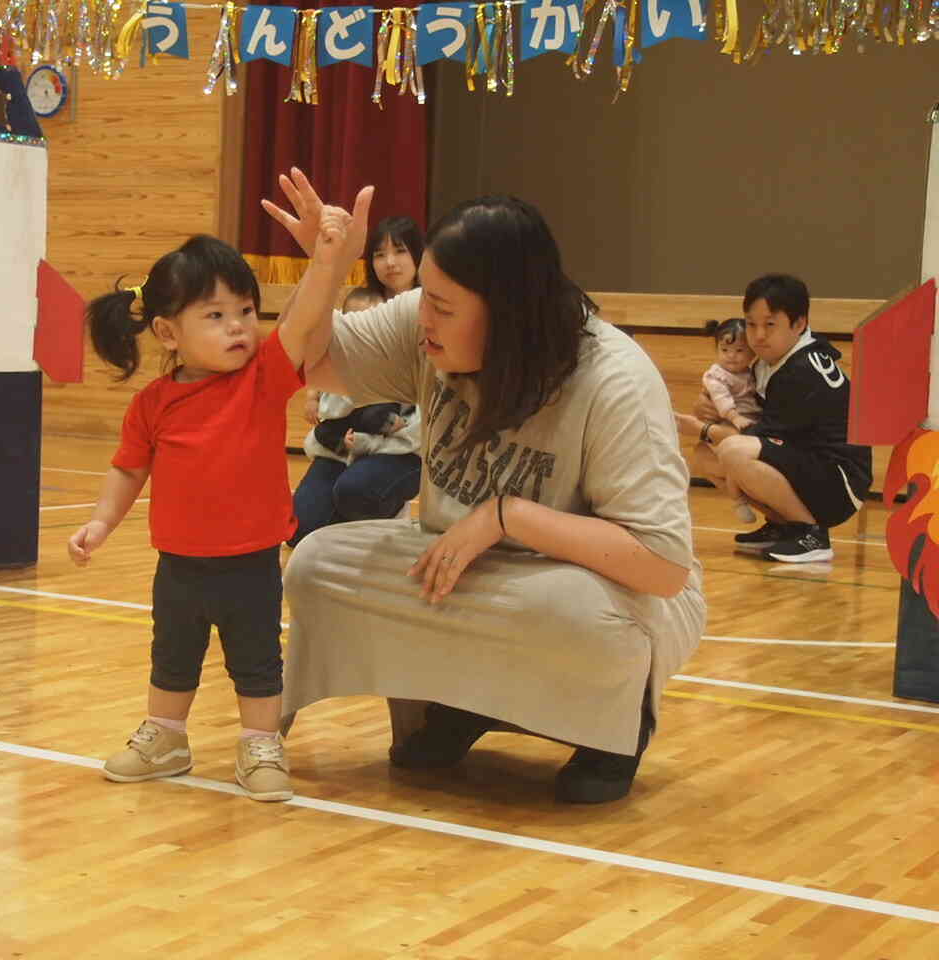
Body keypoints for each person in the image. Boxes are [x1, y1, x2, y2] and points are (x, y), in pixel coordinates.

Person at [261, 170, 705, 804]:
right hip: (464, 571)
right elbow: (299, 362)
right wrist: (327, 268)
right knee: (317, 564)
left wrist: (506, 516)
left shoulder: (616, 380)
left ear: (511, 312)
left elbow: (664, 567)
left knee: (572, 614)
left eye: (444, 307)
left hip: (586, 587)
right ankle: (459, 704)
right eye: (427, 300)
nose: (425, 321)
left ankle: (613, 731)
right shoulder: (425, 319)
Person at [67, 192, 371, 802]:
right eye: (215, 315)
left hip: (250, 561)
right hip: (177, 562)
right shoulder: (152, 404)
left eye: (246, 310)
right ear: (166, 332)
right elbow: (129, 471)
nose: (238, 326)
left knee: (257, 658)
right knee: (172, 652)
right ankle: (166, 735)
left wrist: (326, 261)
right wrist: (101, 522)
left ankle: (260, 744)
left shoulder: (264, 376)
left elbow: (306, 317)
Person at [675, 275, 872, 564]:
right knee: (705, 456)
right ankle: (784, 526)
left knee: (733, 451)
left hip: (839, 483)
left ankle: (811, 534)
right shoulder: (775, 360)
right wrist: (709, 407)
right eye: (751, 324)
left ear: (799, 323)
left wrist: (702, 427)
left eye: (770, 324)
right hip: (810, 464)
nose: (758, 335)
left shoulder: (801, 369)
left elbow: (754, 438)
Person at [290, 284, 423, 546]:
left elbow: (394, 422)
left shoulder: (404, 345)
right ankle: (338, 512)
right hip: (341, 448)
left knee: (356, 492)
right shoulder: (345, 356)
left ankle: (384, 510)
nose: (390, 262)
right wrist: (313, 395)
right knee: (299, 529)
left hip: (393, 451)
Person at [697, 318, 762, 523]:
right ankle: (738, 501)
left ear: (752, 351)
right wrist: (735, 417)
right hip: (729, 422)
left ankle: (742, 497)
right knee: (730, 462)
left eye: (739, 350)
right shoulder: (716, 375)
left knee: (736, 466)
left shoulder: (752, 372)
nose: (731, 356)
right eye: (725, 350)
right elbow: (721, 399)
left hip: (750, 422)